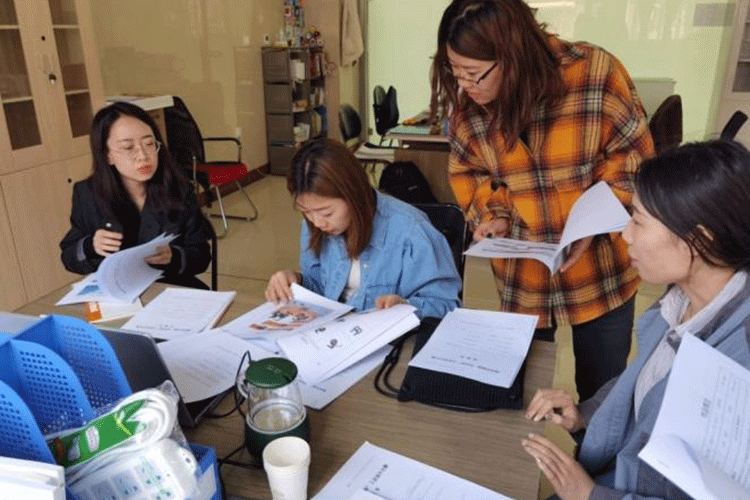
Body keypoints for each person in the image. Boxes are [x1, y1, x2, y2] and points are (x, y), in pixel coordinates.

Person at [431, 0, 655, 401]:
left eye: (474, 74)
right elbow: (471, 174)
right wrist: (494, 213)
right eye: (454, 71)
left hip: (600, 272)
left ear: (514, 55)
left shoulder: (594, 74)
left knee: (602, 393)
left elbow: (634, 160)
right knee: (524, 387)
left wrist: (593, 224)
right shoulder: (470, 111)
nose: (465, 86)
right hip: (525, 278)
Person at [522, 140, 750, 500]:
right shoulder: (677, 303)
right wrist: (584, 416)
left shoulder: (739, 366)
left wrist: (590, 495)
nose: (626, 234)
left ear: (698, 241)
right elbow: (643, 385)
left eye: (639, 222)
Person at [265, 138, 461, 319]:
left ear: (353, 194)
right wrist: (296, 281)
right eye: (306, 211)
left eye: (327, 213)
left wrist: (406, 306)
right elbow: (319, 289)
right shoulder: (313, 225)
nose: (317, 223)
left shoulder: (411, 231)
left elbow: (446, 305)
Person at [60, 101, 213, 289]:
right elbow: (68, 256)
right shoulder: (87, 194)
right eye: (128, 147)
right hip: (118, 292)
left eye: (149, 144)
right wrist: (90, 246)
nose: (143, 155)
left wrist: (173, 256)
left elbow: (202, 257)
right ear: (107, 155)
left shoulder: (180, 189)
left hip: (170, 287)